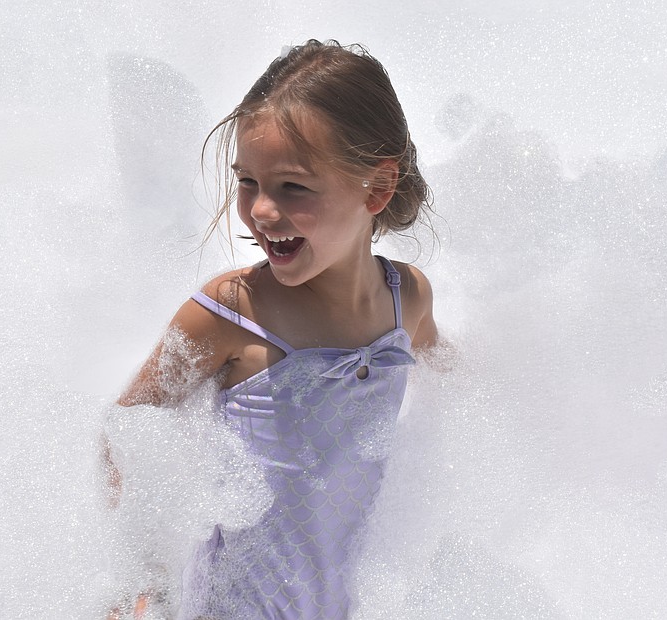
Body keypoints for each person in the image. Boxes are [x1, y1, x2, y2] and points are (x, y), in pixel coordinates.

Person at [106, 39, 438, 620]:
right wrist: (143, 586)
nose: (260, 211)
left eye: (293, 187)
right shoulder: (231, 312)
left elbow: (465, 395)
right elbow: (128, 433)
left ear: (378, 189)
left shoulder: (405, 299)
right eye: (247, 182)